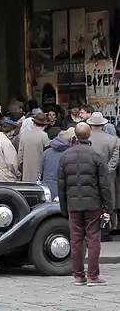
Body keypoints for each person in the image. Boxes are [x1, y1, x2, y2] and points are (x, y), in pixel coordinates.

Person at [58, 123, 113, 286]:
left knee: (75, 240)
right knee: (93, 239)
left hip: (73, 204)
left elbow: (61, 185)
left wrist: (64, 207)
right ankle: (93, 275)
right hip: (93, 203)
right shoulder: (97, 155)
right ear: (89, 135)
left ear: (75, 136)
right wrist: (108, 207)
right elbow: (104, 185)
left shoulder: (66, 156)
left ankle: (78, 275)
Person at [87, 112, 120, 241]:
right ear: (103, 124)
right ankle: (107, 227)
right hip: (108, 177)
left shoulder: (85, 139)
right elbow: (116, 159)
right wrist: (106, 170)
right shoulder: (114, 140)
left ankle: (92, 229)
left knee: (91, 202)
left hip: (89, 175)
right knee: (108, 201)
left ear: (90, 124)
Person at [39, 130, 73, 197]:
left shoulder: (46, 152)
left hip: (47, 187)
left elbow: (40, 171)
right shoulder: (70, 154)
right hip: (63, 188)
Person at [18, 113, 51, 182]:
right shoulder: (44, 136)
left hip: (26, 172)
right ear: (45, 125)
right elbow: (47, 155)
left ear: (34, 123)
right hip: (39, 172)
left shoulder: (24, 135)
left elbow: (20, 156)